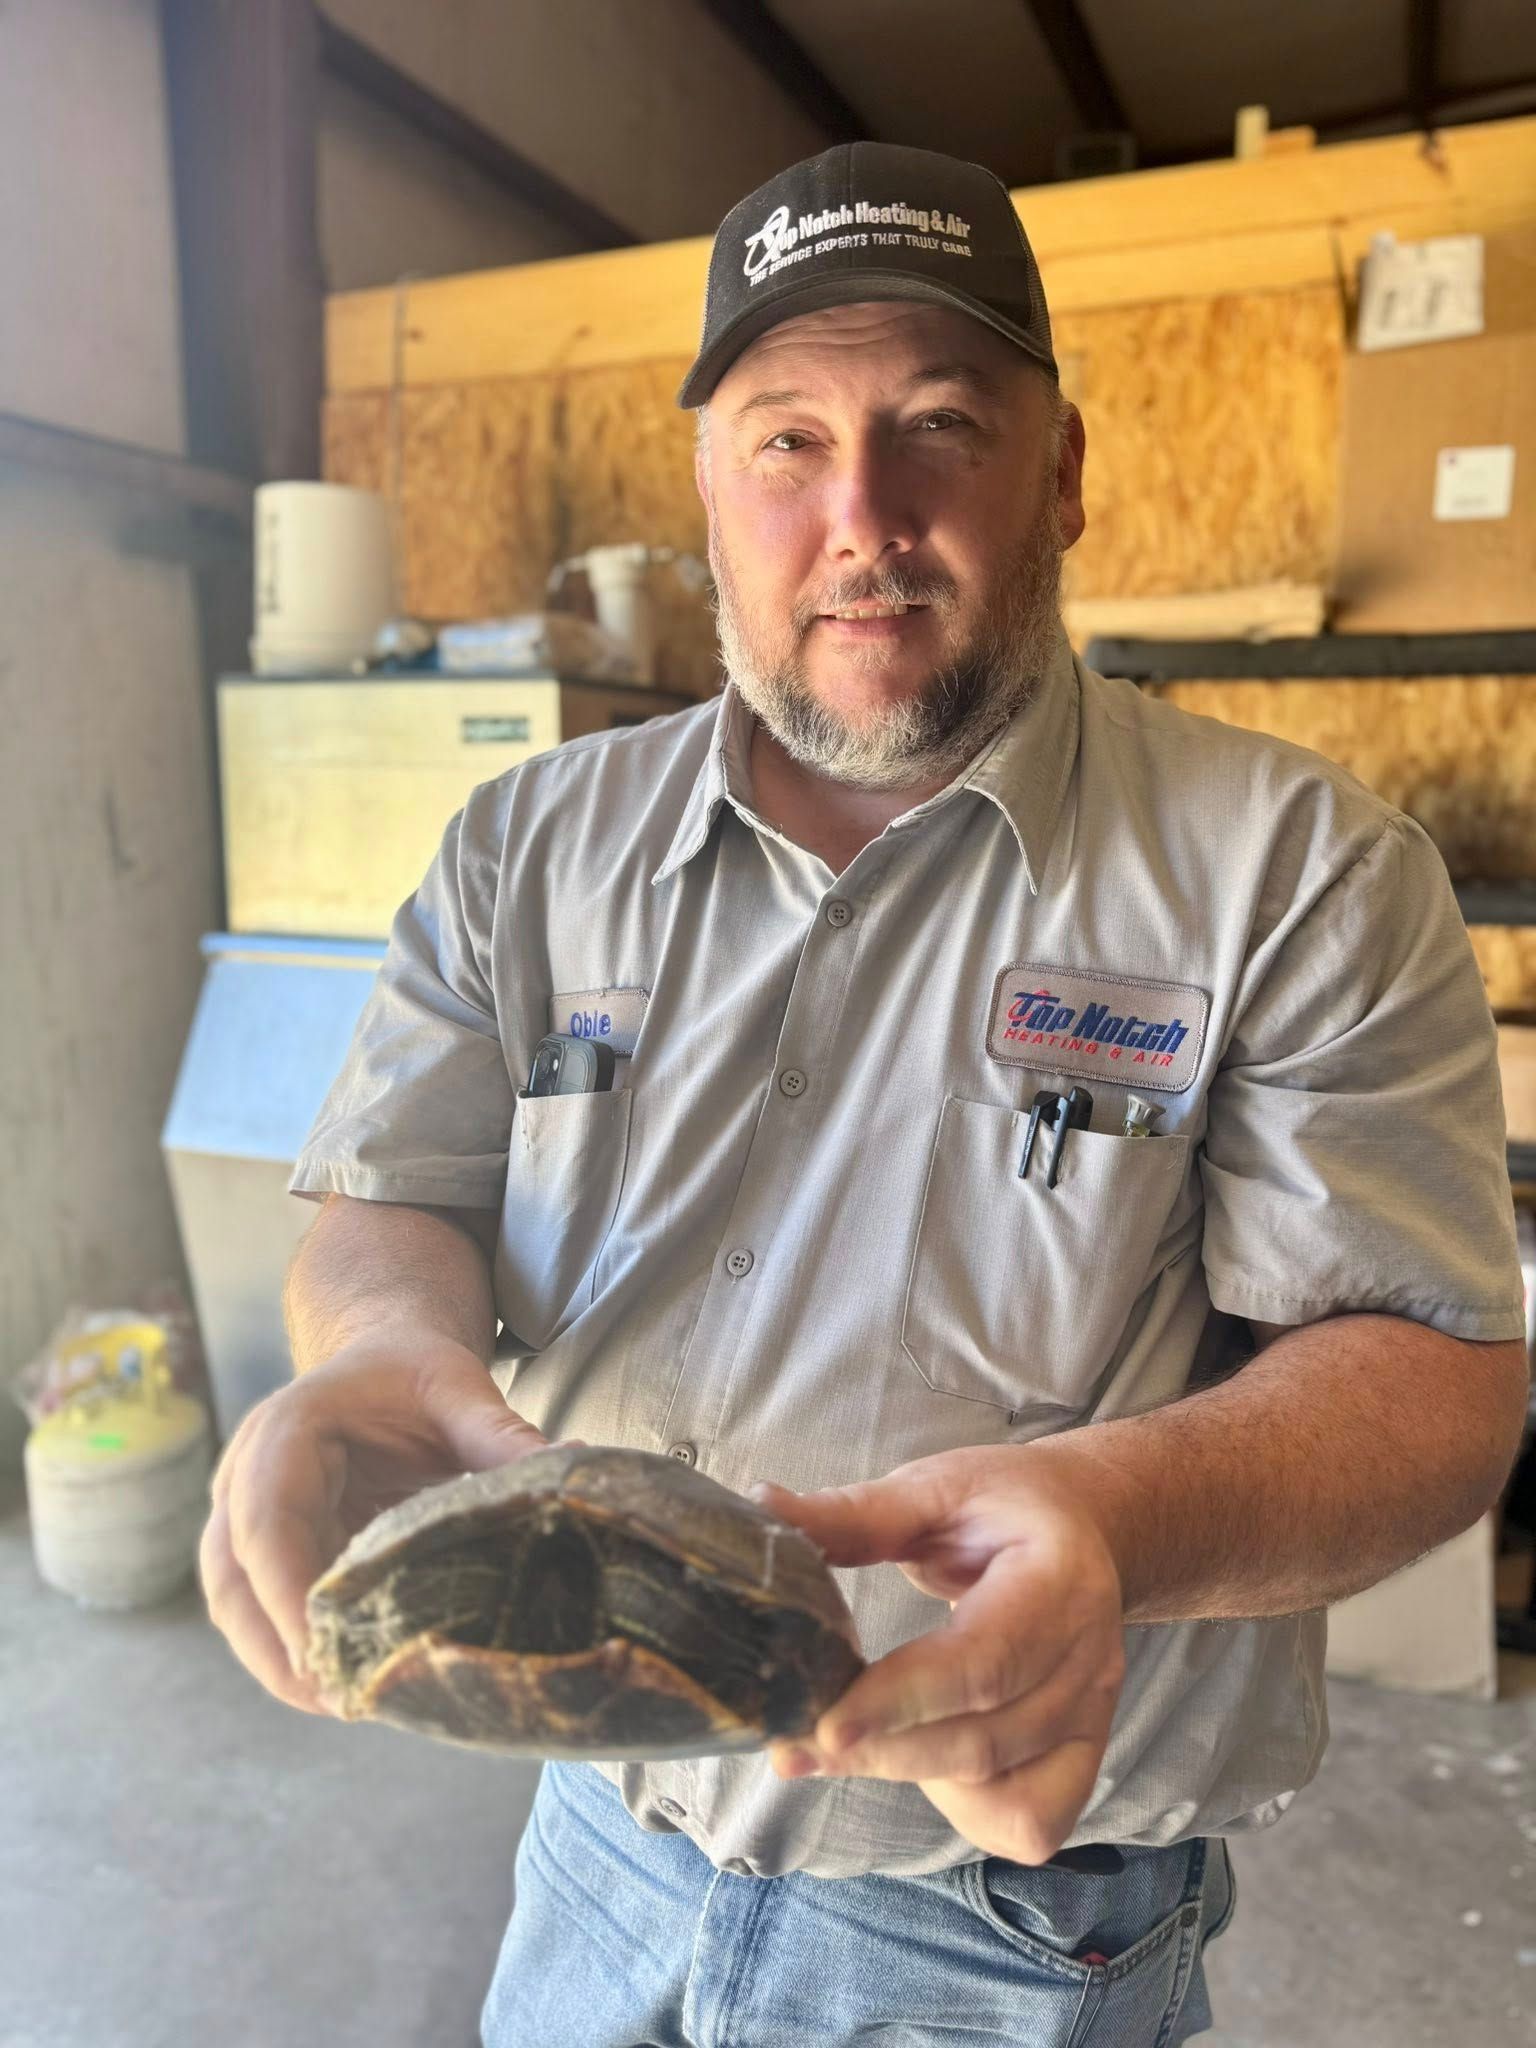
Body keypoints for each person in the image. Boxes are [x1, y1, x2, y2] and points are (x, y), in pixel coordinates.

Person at [199, 141, 1531, 2048]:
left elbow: (1437, 1385)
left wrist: (1118, 1519)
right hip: (602, 1821)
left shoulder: (1298, 872)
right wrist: (378, 1348)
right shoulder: (529, 846)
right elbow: (393, 1186)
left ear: (1064, 472)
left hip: (1004, 1918)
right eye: (786, 440)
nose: (863, 516)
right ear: (708, 489)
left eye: (940, 425)